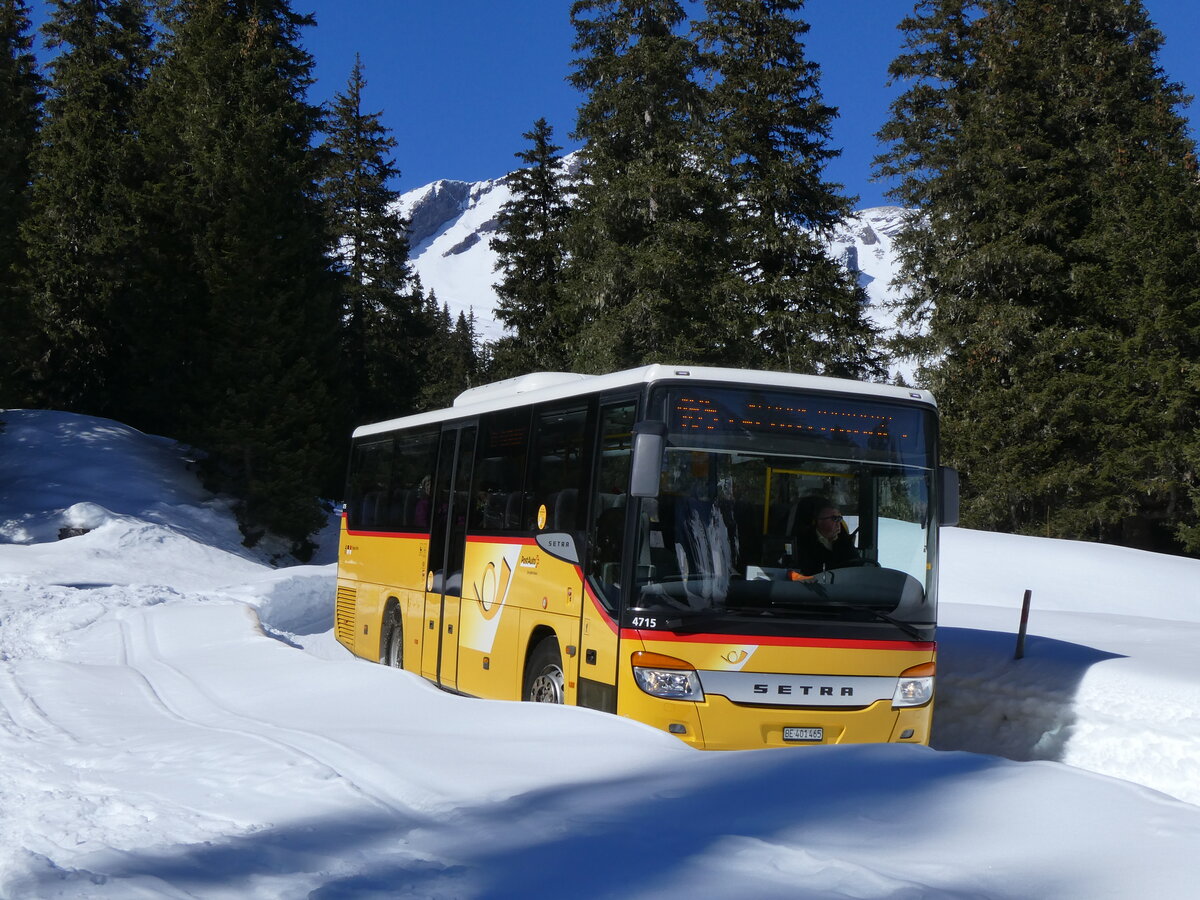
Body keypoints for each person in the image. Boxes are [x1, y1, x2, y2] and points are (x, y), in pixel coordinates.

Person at [791, 496, 859, 576]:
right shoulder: (803, 543)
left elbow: (857, 568)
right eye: (834, 518)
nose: (838, 523)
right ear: (818, 521)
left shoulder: (845, 542)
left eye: (839, 518)